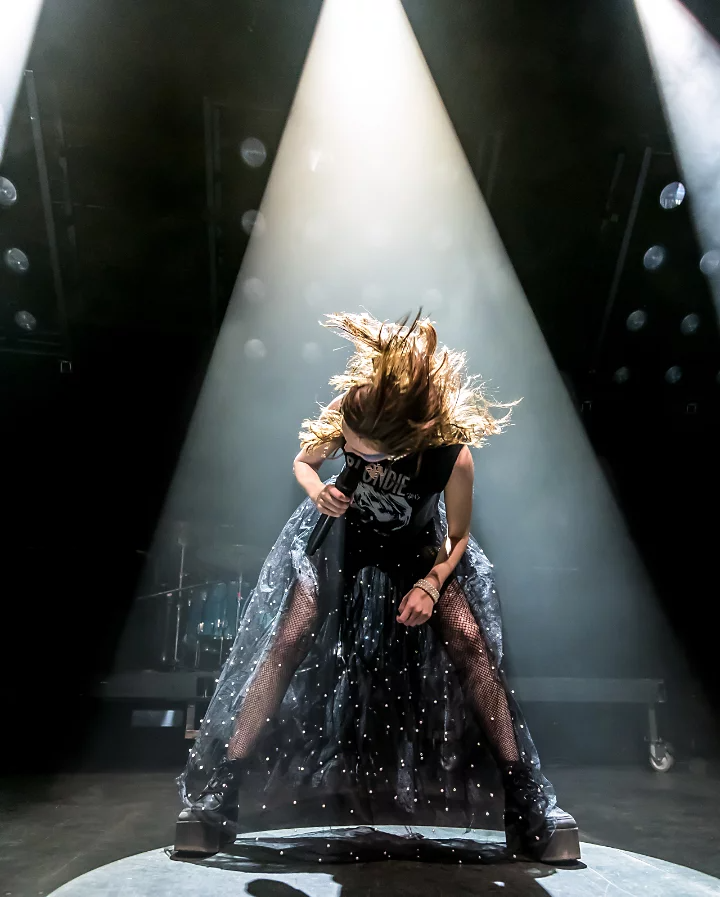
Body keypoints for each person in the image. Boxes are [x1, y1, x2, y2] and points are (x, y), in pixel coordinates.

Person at [176, 311, 580, 863]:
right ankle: (221, 790)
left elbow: (458, 537)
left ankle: (526, 797)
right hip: (342, 538)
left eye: (369, 453)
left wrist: (432, 585)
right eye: (353, 447)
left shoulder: (450, 454)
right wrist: (318, 489)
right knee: (288, 639)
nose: (355, 454)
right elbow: (304, 460)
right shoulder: (354, 407)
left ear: (407, 440)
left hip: (416, 548)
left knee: (470, 643)